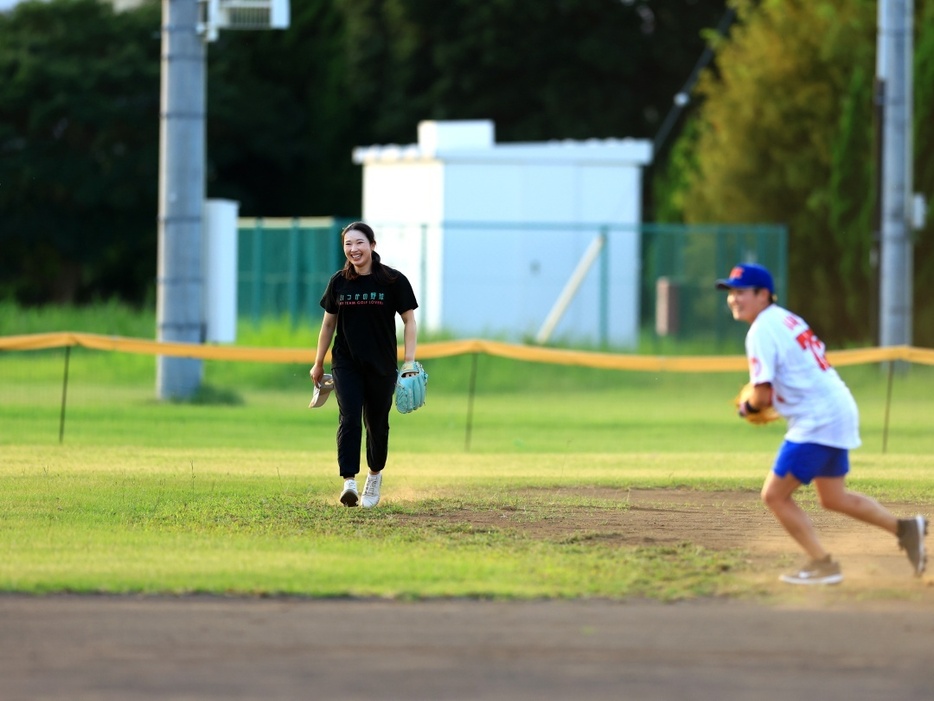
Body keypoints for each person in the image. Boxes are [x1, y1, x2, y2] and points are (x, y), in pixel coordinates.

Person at [715, 263, 927, 585]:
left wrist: (747, 408)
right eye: (731, 292)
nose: (734, 299)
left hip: (818, 419)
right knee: (833, 497)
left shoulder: (760, 330)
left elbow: (762, 397)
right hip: (836, 408)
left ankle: (823, 564)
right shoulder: (786, 318)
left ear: (763, 295)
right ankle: (907, 529)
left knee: (774, 496)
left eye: (741, 292)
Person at [311, 222, 419, 508]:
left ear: (372, 245)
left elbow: (409, 320)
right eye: (348, 244)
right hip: (346, 362)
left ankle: (374, 475)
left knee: (377, 423)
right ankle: (349, 482)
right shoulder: (339, 282)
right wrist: (318, 362)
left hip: (382, 364)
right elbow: (328, 324)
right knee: (349, 418)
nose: (353, 249)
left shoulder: (393, 281)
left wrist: (409, 361)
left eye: (359, 243)